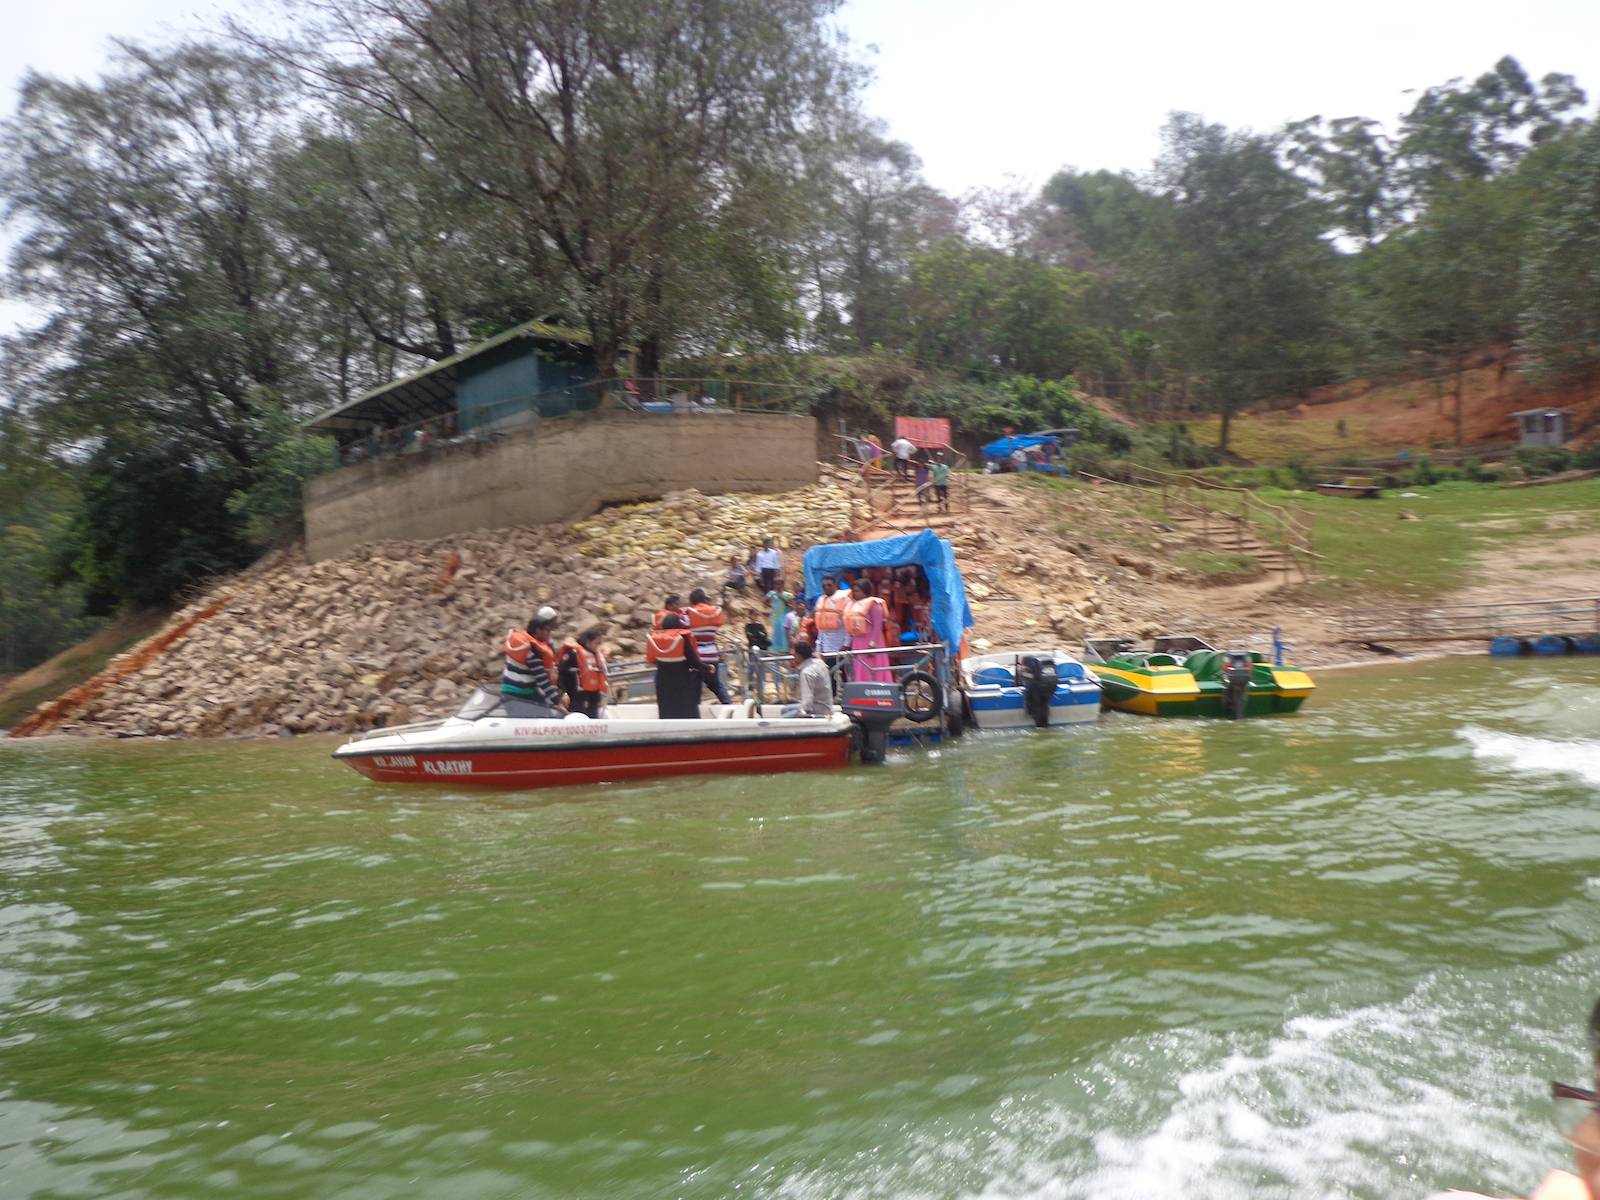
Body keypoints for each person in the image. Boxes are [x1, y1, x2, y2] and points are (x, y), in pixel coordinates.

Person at [501, 606, 565, 709]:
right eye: (547, 630)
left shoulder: (525, 642)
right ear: (538, 630)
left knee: (547, 711)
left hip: (529, 691)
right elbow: (542, 679)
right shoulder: (532, 651)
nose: (549, 634)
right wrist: (558, 702)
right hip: (515, 694)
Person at [646, 613, 703, 719]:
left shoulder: (655, 640)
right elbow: (694, 661)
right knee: (687, 711)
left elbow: (652, 660)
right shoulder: (682, 638)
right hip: (681, 680)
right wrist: (706, 668)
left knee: (666, 711)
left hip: (662, 681)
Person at [684, 587, 731, 704]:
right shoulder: (715, 613)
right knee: (715, 684)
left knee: (695, 686)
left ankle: (695, 714)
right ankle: (728, 705)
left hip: (696, 657)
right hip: (712, 655)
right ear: (705, 599)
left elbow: (681, 627)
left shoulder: (688, 613)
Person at [844, 579, 892, 683]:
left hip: (871, 641)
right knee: (859, 667)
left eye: (858, 591)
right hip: (857, 641)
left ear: (865, 591)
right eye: (854, 591)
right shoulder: (853, 604)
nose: (855, 593)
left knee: (872, 666)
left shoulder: (874, 604)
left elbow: (877, 626)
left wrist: (872, 644)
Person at [557, 624, 609, 717]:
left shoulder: (596, 656)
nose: (598, 646)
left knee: (593, 717)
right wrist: (563, 692)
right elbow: (561, 673)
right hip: (576, 696)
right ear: (588, 642)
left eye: (600, 643)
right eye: (597, 643)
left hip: (592, 696)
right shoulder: (573, 654)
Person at [813, 575, 853, 682]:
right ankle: (832, 697)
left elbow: (848, 624)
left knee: (845, 677)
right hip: (826, 648)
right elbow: (821, 628)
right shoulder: (821, 600)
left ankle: (847, 697)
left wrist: (846, 644)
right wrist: (818, 647)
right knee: (829, 678)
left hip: (841, 647)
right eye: (824, 586)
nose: (826, 587)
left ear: (835, 585)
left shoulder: (845, 600)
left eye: (829, 585)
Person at [786, 641, 834, 718]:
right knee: (786, 709)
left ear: (798, 655)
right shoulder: (820, 663)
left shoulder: (807, 673)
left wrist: (803, 711)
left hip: (817, 710)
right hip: (826, 706)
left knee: (785, 716)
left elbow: (807, 700)